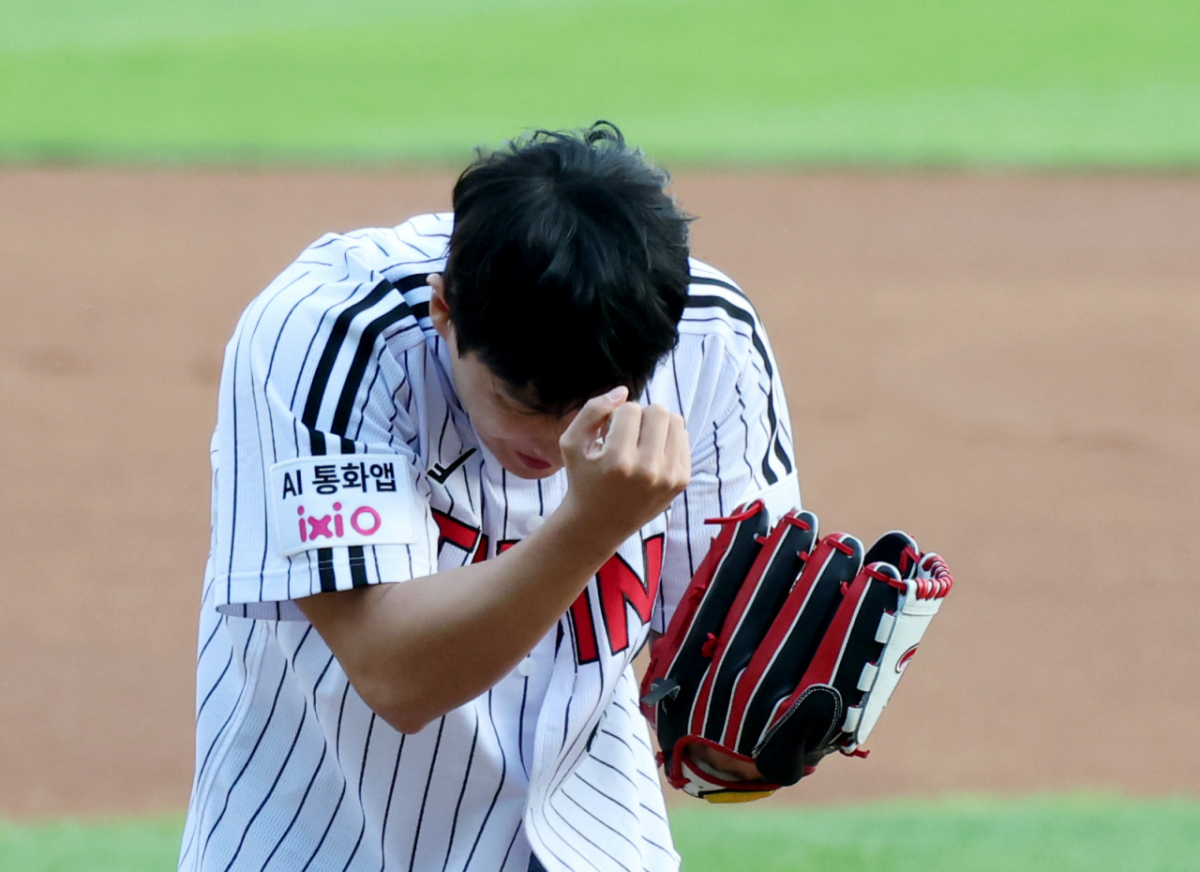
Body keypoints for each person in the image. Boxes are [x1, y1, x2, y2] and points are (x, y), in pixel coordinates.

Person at [179, 122, 798, 872]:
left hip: (593, 841)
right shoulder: (330, 335)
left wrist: (763, 732)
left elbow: (713, 678)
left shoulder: (711, 337)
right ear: (445, 310)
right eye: (519, 402)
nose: (557, 441)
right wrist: (590, 525)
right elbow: (393, 674)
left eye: (587, 407)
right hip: (325, 840)